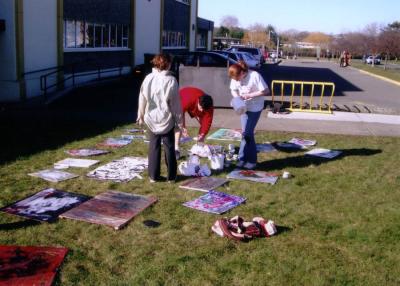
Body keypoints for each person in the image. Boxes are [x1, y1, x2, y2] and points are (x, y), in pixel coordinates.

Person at [137, 54, 183, 182]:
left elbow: (142, 98)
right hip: (165, 118)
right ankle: (171, 177)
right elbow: (176, 104)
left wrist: (140, 115)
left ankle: (153, 176)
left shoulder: (148, 78)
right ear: (168, 64)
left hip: (151, 118)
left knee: (154, 146)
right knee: (169, 147)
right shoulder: (171, 81)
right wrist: (180, 122)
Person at [228, 60, 269, 170]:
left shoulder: (254, 75)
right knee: (245, 134)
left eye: (238, 79)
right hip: (243, 108)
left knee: (248, 133)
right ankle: (242, 159)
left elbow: (266, 90)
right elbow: (233, 89)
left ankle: (252, 161)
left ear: (242, 73)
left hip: (255, 108)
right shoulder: (235, 77)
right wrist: (237, 98)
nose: (237, 81)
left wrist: (250, 95)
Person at [175, 86, 214, 159]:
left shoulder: (208, 107)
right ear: (198, 101)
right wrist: (183, 127)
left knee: (203, 128)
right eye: (201, 108)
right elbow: (180, 113)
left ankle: (199, 147)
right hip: (182, 99)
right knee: (179, 126)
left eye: (204, 109)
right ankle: (176, 148)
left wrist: (202, 135)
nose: (202, 110)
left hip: (193, 104)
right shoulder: (187, 100)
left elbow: (207, 123)